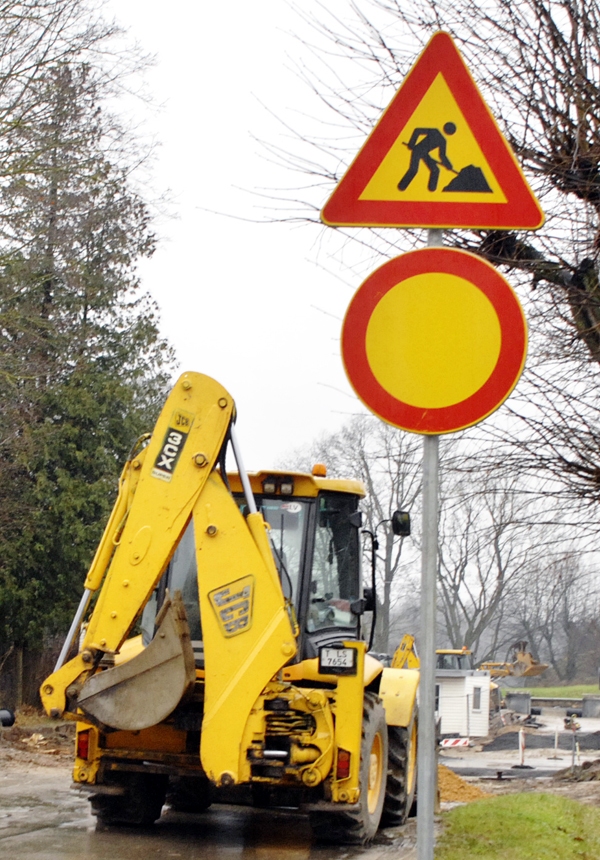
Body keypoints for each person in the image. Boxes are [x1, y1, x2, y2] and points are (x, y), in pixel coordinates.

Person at [398, 122, 457, 192]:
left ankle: (432, 190)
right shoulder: (435, 131)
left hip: (425, 153)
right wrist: (412, 143)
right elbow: (417, 130)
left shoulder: (442, 140)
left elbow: (442, 155)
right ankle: (401, 186)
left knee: (435, 170)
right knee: (413, 170)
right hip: (417, 150)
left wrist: (448, 165)